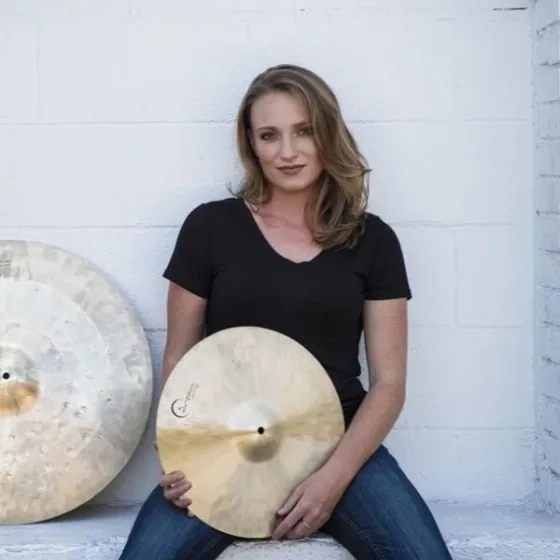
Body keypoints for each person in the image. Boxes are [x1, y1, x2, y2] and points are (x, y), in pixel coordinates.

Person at [118, 64, 453, 560]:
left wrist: (332, 480)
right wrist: (175, 456)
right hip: (222, 448)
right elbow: (180, 355)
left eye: (303, 131)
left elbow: (388, 385)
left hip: (341, 447)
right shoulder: (209, 227)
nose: (288, 151)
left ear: (327, 133)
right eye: (269, 136)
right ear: (251, 145)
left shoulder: (373, 240)